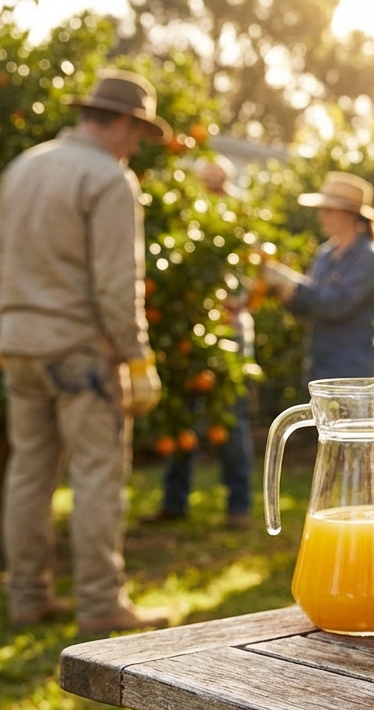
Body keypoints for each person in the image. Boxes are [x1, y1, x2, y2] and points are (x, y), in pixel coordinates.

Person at [0, 70, 170, 634]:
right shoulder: (109, 179)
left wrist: (13, 322)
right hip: (79, 351)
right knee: (96, 473)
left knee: (28, 472)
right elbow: (119, 286)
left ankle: (27, 596)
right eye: (136, 134)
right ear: (119, 122)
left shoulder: (25, 165)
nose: (134, 146)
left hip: (18, 342)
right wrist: (137, 356)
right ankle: (99, 604)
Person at [151, 158, 255, 529]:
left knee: (231, 422)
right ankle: (174, 501)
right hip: (189, 339)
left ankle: (238, 506)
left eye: (219, 184)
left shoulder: (238, 230)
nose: (214, 191)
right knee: (181, 418)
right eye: (207, 184)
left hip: (228, 339)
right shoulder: (184, 226)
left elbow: (245, 290)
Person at [263, 172, 374, 382]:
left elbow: (337, 305)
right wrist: (284, 292)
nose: (322, 216)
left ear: (349, 214)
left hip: (354, 370)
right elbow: (310, 305)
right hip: (320, 366)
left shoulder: (370, 256)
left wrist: (290, 282)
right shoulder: (325, 254)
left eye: (329, 210)